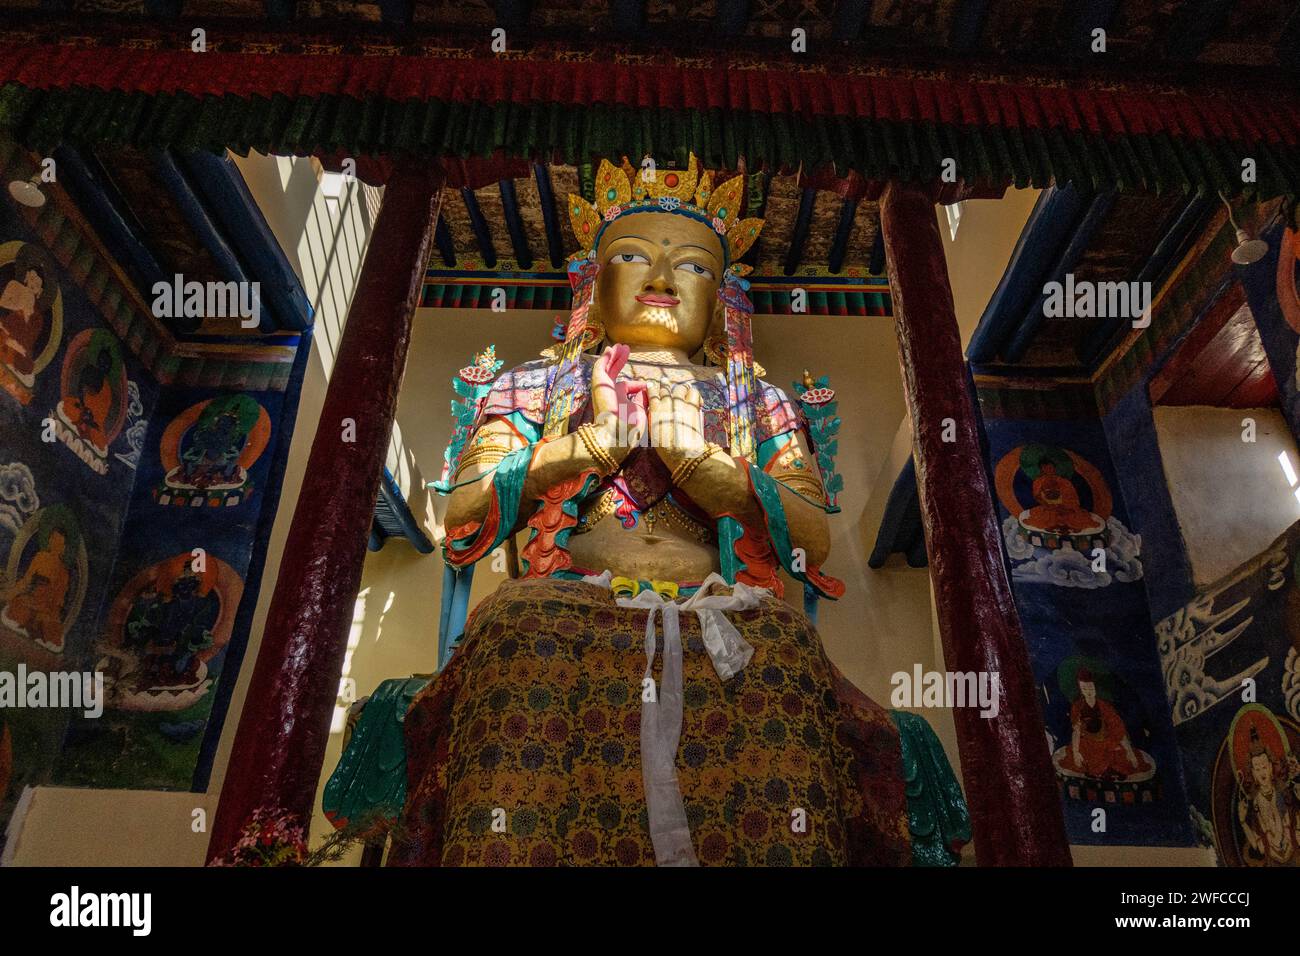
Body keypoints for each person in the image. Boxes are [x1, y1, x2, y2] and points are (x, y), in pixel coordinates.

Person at [385, 156, 967, 867]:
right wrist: (587, 446)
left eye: (691, 266)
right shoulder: (537, 384)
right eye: (632, 257)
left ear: (719, 300)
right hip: (568, 606)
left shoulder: (756, 401)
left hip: (720, 607)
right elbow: (464, 511)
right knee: (515, 627)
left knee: (784, 647)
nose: (661, 280)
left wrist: (705, 467)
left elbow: (812, 540)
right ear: (593, 286)